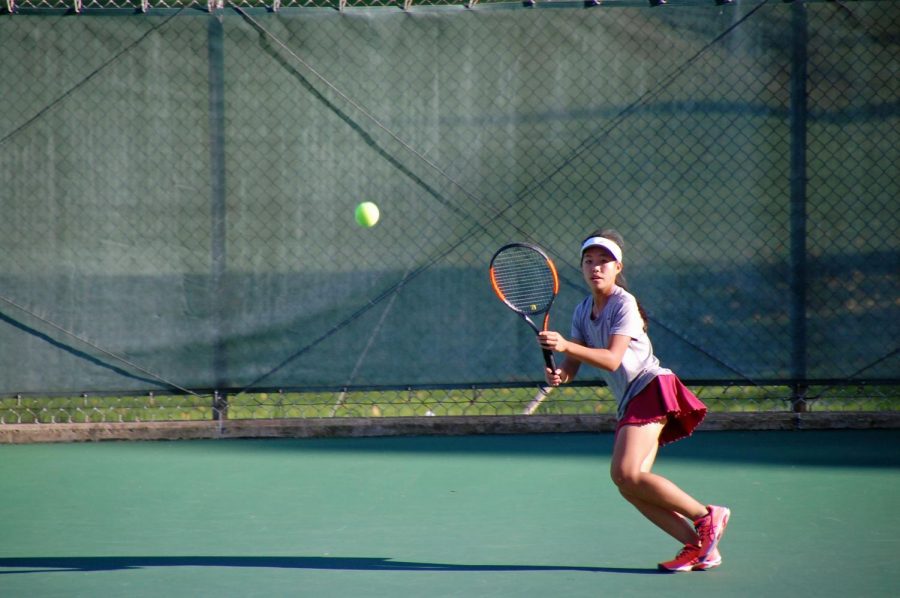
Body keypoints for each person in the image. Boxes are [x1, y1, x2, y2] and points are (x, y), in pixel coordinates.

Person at [537, 228, 730, 572]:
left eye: (604, 262)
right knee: (630, 485)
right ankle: (700, 548)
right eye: (589, 261)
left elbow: (612, 359)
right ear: (581, 268)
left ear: (617, 267)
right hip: (631, 399)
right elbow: (573, 367)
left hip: (651, 388)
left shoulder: (624, 303)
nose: (596, 267)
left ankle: (706, 515)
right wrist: (560, 374)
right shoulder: (582, 311)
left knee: (624, 472)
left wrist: (565, 344)